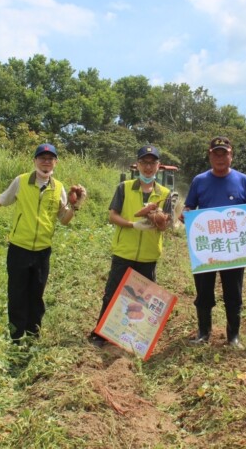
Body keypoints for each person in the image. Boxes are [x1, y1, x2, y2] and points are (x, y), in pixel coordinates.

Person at [0, 143, 86, 343]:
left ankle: (33, 336)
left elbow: (63, 218)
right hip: (19, 249)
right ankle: (16, 337)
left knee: (37, 295)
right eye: (42, 158)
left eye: (50, 158)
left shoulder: (58, 187)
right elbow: (0, 201)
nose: (46, 162)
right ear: (34, 161)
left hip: (43, 251)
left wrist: (76, 206)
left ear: (56, 163)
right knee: (17, 294)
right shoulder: (21, 181)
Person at [183, 136, 246, 348]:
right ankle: (204, 332)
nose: (220, 158)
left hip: (233, 247)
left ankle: (233, 336)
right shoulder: (199, 181)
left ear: (231, 155)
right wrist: (185, 214)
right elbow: (189, 206)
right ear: (210, 155)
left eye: (224, 153)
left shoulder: (243, 180)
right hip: (207, 248)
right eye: (216, 154)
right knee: (204, 290)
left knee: (233, 292)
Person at [89, 144, 173, 347]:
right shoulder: (124, 188)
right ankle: (101, 334)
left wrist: (160, 221)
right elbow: (112, 216)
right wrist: (132, 225)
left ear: (158, 166)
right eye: (144, 162)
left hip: (148, 255)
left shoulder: (165, 193)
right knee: (113, 293)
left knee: (142, 299)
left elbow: (167, 226)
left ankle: (132, 336)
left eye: (152, 163)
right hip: (124, 251)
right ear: (137, 164)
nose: (148, 167)